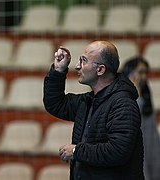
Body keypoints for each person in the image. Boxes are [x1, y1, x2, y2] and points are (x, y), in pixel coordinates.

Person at [43, 40, 144, 179]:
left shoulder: (123, 104)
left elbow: (118, 151)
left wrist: (76, 150)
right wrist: (58, 70)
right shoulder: (89, 101)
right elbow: (55, 104)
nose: (77, 66)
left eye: (83, 61)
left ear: (100, 70)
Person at [122, 56, 160, 180]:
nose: (143, 77)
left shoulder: (145, 94)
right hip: (133, 148)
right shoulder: (121, 95)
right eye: (140, 72)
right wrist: (134, 92)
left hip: (150, 146)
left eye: (145, 73)